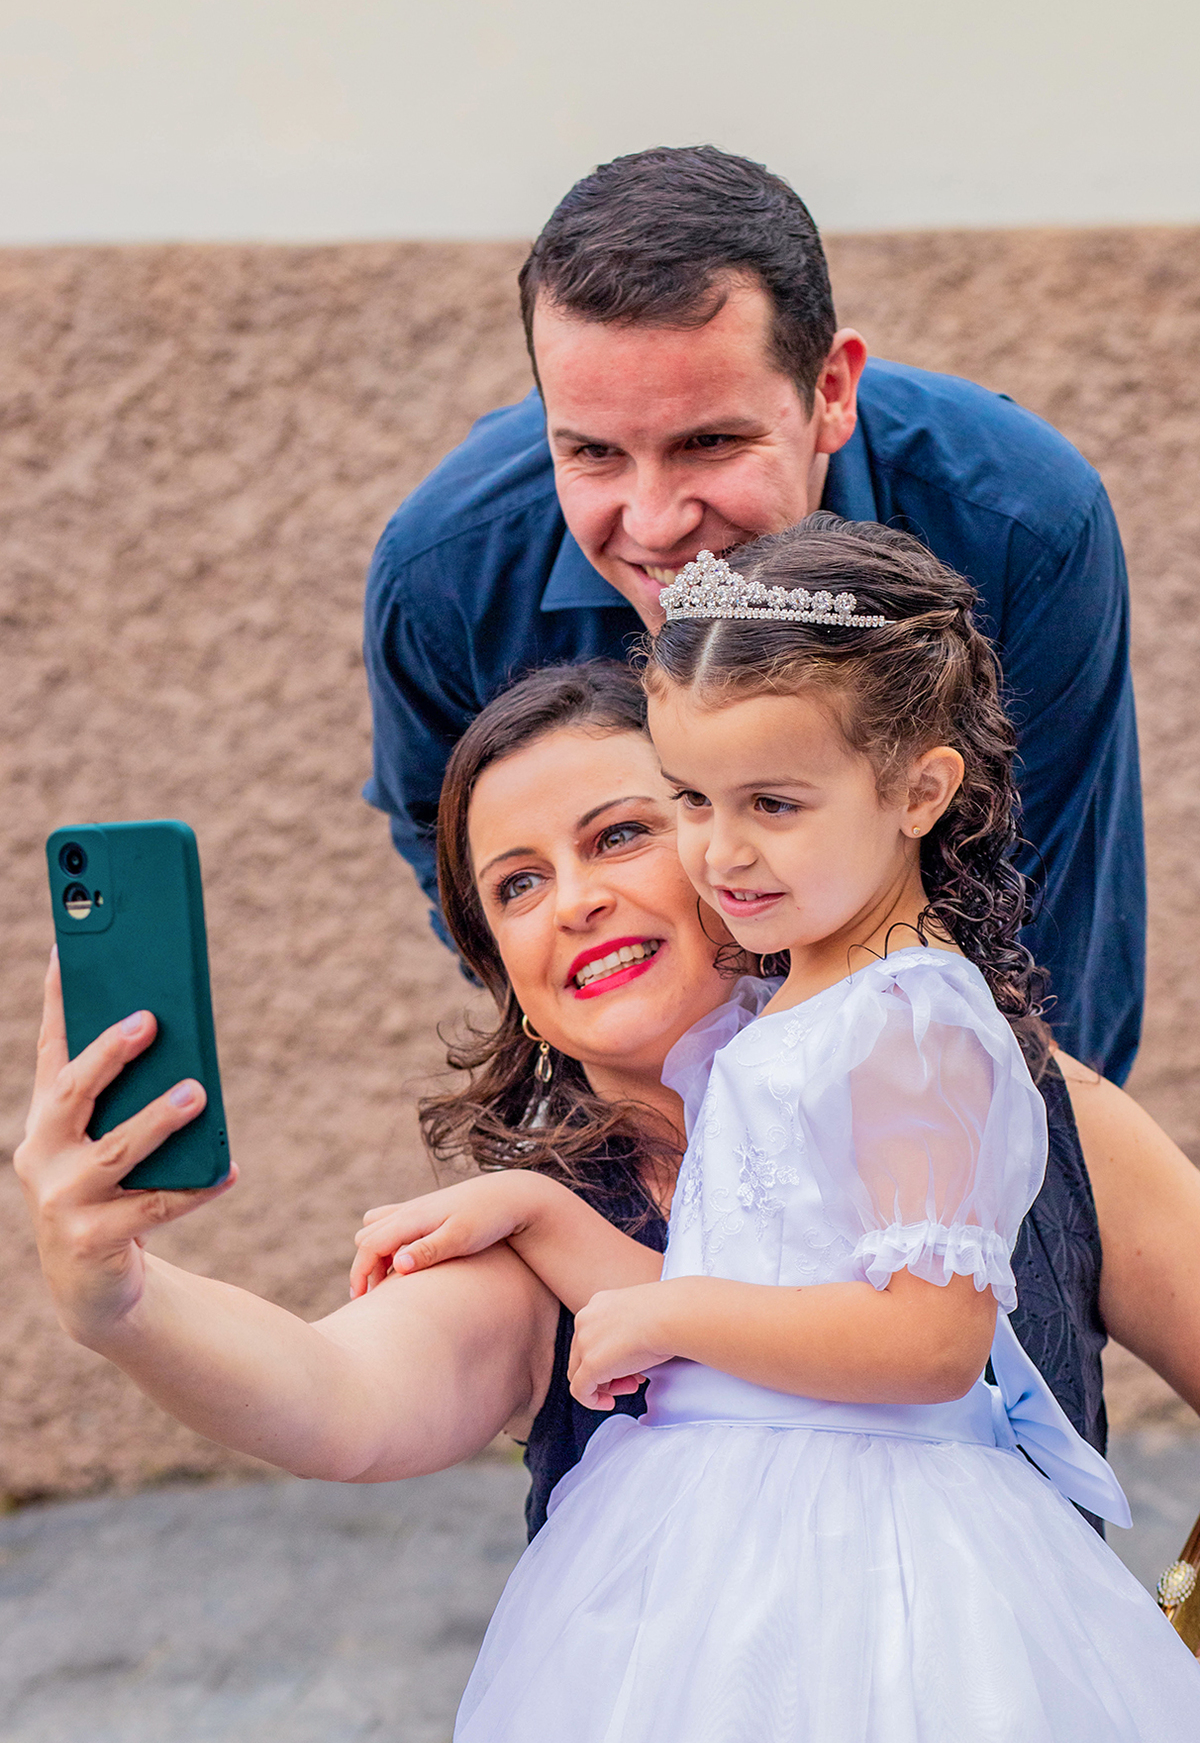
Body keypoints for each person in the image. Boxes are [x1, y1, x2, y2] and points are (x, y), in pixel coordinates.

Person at [353, 519, 1199, 1743]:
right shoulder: (791, 1008)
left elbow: (929, 1340)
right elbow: (765, 1287)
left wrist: (673, 1313)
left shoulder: (913, 1024)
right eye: (692, 801)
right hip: (725, 1552)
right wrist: (541, 1216)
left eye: (774, 803)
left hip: (882, 1556)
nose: (723, 850)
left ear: (919, 790)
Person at [14, 663, 1200, 1543]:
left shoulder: (1012, 1089)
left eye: (622, 833)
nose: (574, 899)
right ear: (513, 988)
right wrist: (122, 1298)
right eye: (518, 885)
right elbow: (339, 1396)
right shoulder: (534, 1234)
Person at [362, 143, 1144, 1083]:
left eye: (709, 442)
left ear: (831, 391)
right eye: (594, 453)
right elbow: (457, 850)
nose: (655, 523)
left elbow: (1048, 929)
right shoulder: (441, 576)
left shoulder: (1023, 522)